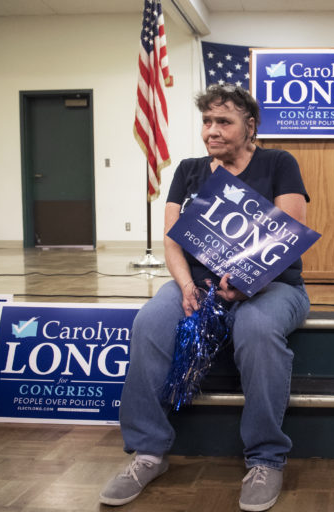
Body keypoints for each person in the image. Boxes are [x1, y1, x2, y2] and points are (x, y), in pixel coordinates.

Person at [100, 84, 311, 511]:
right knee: (148, 323)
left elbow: (289, 232)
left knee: (256, 327)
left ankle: (266, 458)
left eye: (223, 122)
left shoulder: (278, 163)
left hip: (273, 286)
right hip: (195, 284)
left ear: (249, 126)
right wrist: (185, 286)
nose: (211, 131)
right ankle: (148, 452)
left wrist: (248, 283)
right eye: (206, 122)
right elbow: (173, 239)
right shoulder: (190, 169)